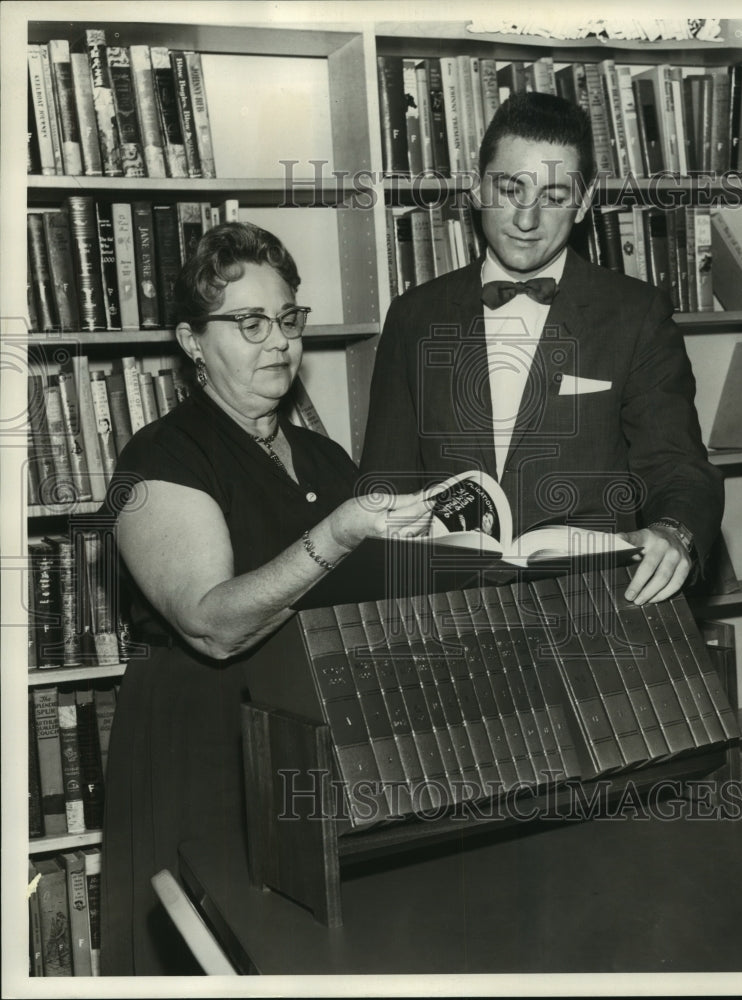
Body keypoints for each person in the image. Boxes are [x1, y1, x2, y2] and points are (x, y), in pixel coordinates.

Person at [98, 222, 435, 975]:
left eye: (287, 319)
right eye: (248, 322)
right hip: (200, 735)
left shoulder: (322, 454)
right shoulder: (157, 457)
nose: (277, 341)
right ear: (191, 341)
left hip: (308, 731)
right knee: (208, 952)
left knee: (313, 954)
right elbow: (212, 625)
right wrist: (343, 533)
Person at [360, 91, 724, 606]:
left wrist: (674, 533)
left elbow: (679, 468)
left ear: (585, 200)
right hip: (446, 609)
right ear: (475, 186)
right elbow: (384, 485)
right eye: (510, 189)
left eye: (553, 196)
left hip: (593, 608)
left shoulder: (637, 314)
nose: (527, 220)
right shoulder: (414, 316)